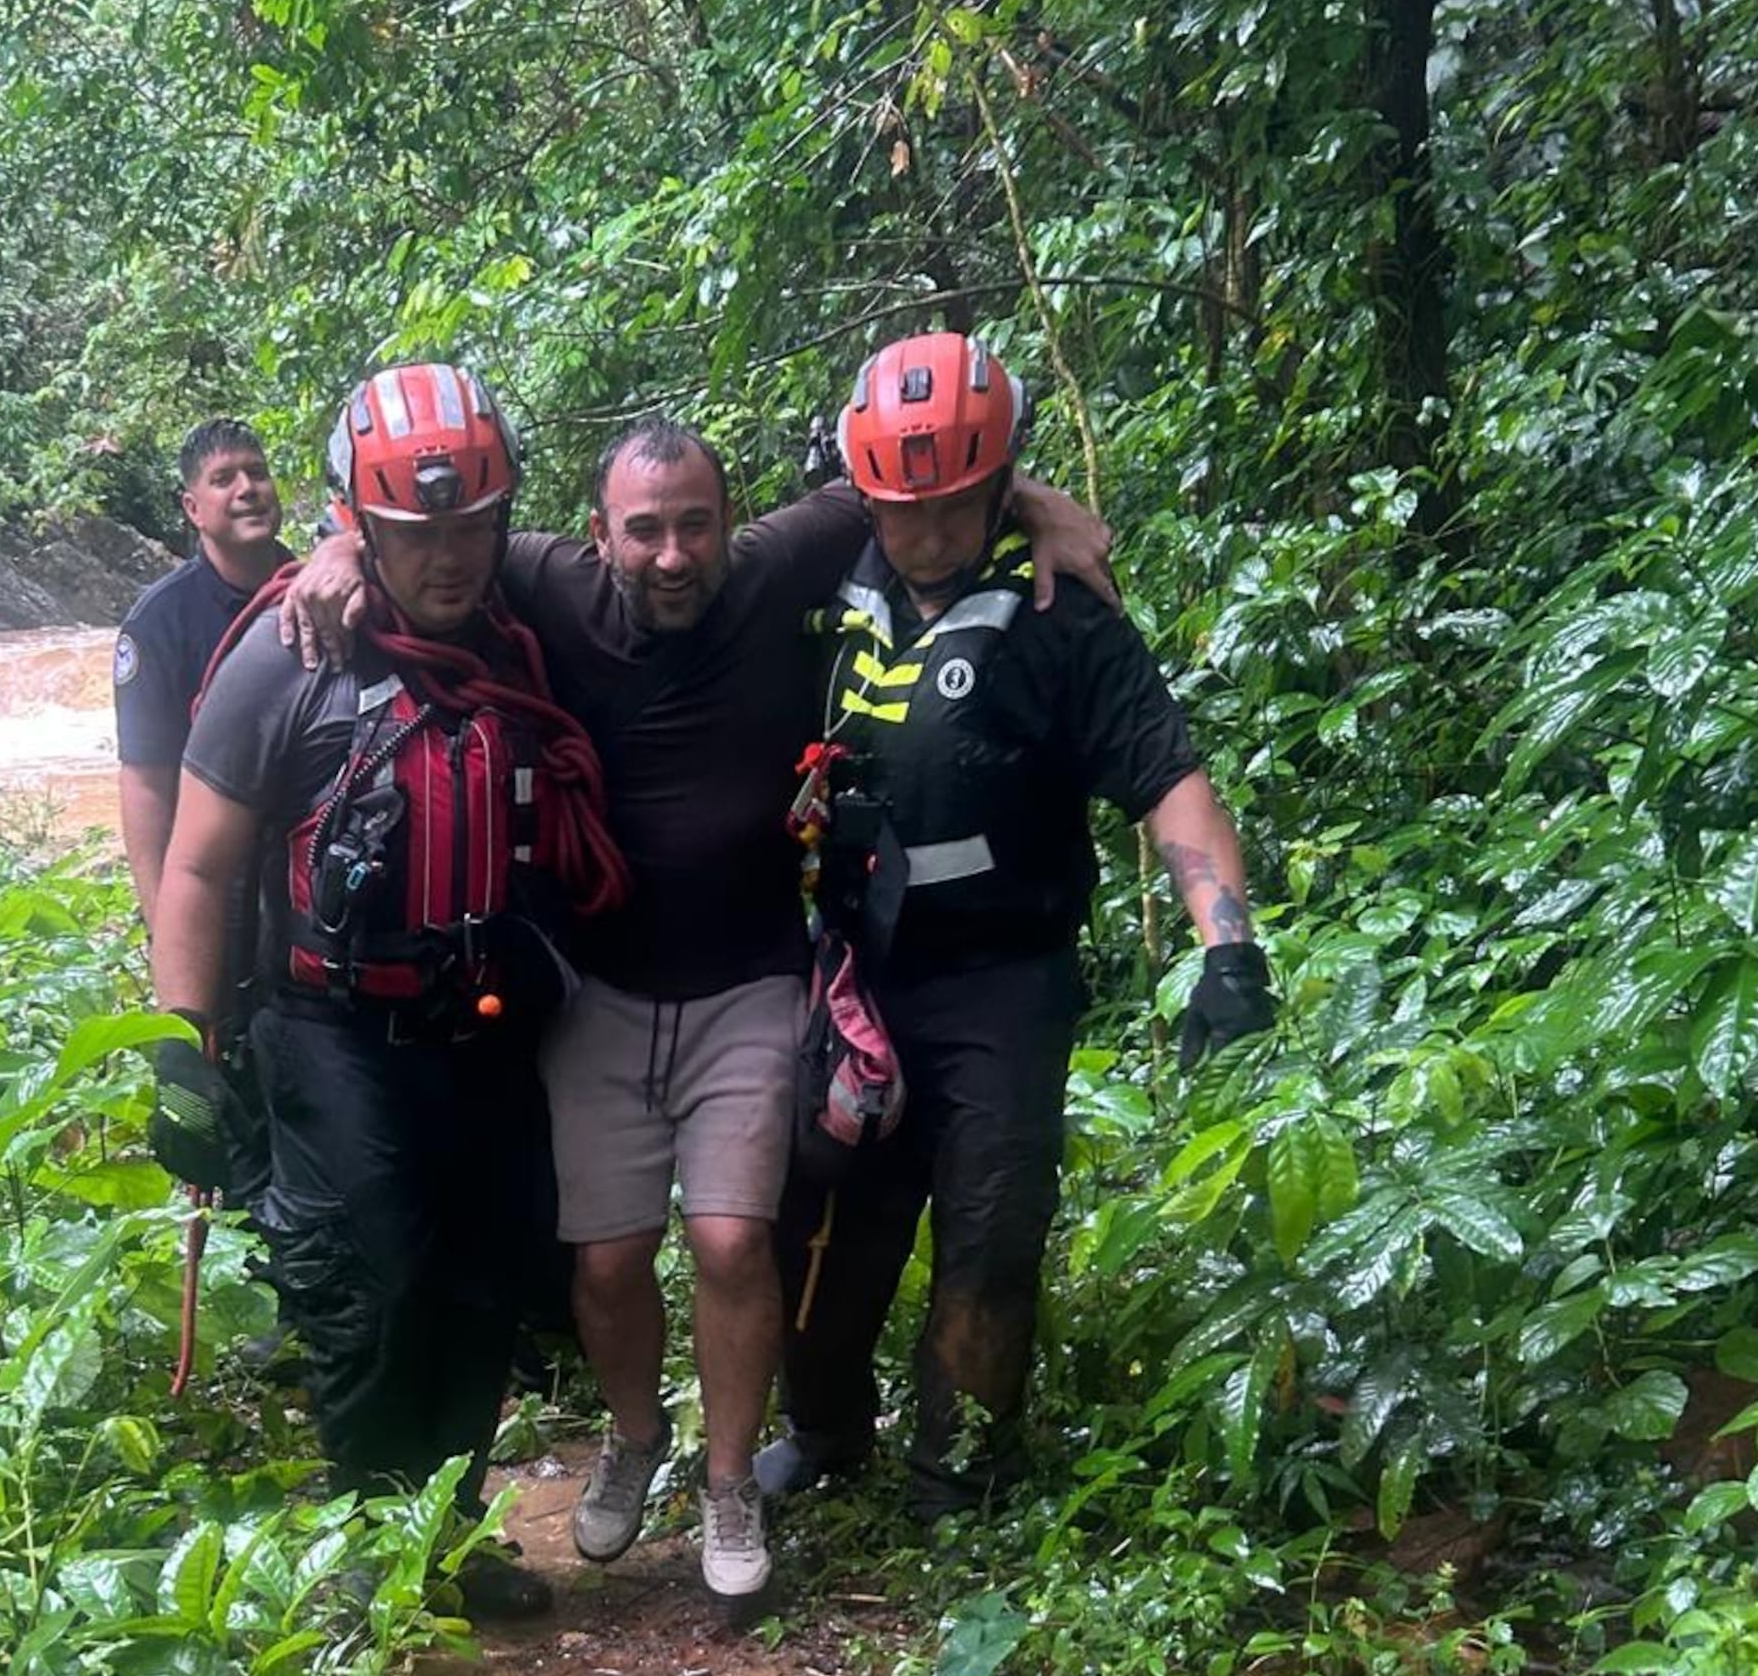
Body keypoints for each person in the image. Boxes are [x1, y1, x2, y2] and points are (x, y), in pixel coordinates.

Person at [282, 421, 1118, 1604]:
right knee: (610, 1257)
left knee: (730, 1239)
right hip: (599, 990)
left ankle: (730, 1484)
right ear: (595, 535)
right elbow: (429, 534)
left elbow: (924, 485)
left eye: (693, 526)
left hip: (748, 980)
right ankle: (633, 1437)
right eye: (643, 530)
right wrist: (334, 554)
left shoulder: (786, 558)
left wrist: (1038, 501)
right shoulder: (542, 578)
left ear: (733, 522)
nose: (671, 554)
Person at [761, 329, 1275, 1520]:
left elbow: (1165, 776)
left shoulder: (1060, 612)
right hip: (850, 969)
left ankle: (960, 1466)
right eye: (899, 504)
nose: (924, 527)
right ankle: (826, 1427)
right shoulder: (826, 581)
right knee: (816, 1212)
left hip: (999, 975)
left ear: (999, 483)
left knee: (991, 1230)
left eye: (952, 502)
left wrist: (1227, 943)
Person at [148, 365, 627, 1619]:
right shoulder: (288, 652)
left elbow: (718, 563)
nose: (452, 555)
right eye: (417, 533)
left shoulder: (525, 627)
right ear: (359, 526)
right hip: (329, 1025)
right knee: (376, 1276)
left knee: (482, 1277)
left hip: (487, 1020)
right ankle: (374, 1543)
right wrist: (180, 1052)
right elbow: (198, 862)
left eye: (474, 525)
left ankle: (450, 1528)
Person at [114, 418, 291, 932]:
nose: (247, 490)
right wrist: (162, 925)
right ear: (192, 509)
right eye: (224, 479)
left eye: (257, 473)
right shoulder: (160, 623)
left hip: (312, 866)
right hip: (218, 874)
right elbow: (147, 784)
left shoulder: (316, 591)